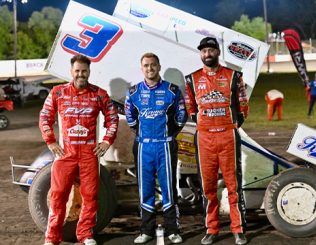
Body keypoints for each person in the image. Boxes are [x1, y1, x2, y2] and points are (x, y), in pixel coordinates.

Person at [39, 54, 119, 245]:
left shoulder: (99, 94)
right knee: (58, 195)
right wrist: (50, 141)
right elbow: (45, 117)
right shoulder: (58, 92)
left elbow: (113, 118)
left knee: (90, 196)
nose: (81, 74)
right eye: (77, 71)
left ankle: (85, 235)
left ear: (89, 72)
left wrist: (107, 140)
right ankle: (52, 238)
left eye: (84, 71)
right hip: (65, 153)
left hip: (89, 154)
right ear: (71, 71)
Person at [184, 37, 249, 245]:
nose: (207, 54)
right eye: (204, 51)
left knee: (233, 185)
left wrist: (234, 124)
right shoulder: (192, 79)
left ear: (218, 52)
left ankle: (238, 229)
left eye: (211, 50)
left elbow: (242, 103)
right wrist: (203, 123)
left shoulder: (233, 75)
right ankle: (211, 229)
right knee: (208, 187)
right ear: (200, 54)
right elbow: (189, 106)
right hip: (204, 137)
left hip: (227, 136)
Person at [125, 53, 187, 244]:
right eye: (146, 65)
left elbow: (181, 116)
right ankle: (146, 230)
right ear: (141, 68)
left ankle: (172, 230)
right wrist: (143, 135)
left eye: (153, 65)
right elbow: (130, 117)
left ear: (159, 67)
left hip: (165, 146)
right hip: (144, 147)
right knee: (146, 189)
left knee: (169, 188)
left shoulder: (172, 90)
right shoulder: (133, 92)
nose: (150, 68)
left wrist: (169, 134)